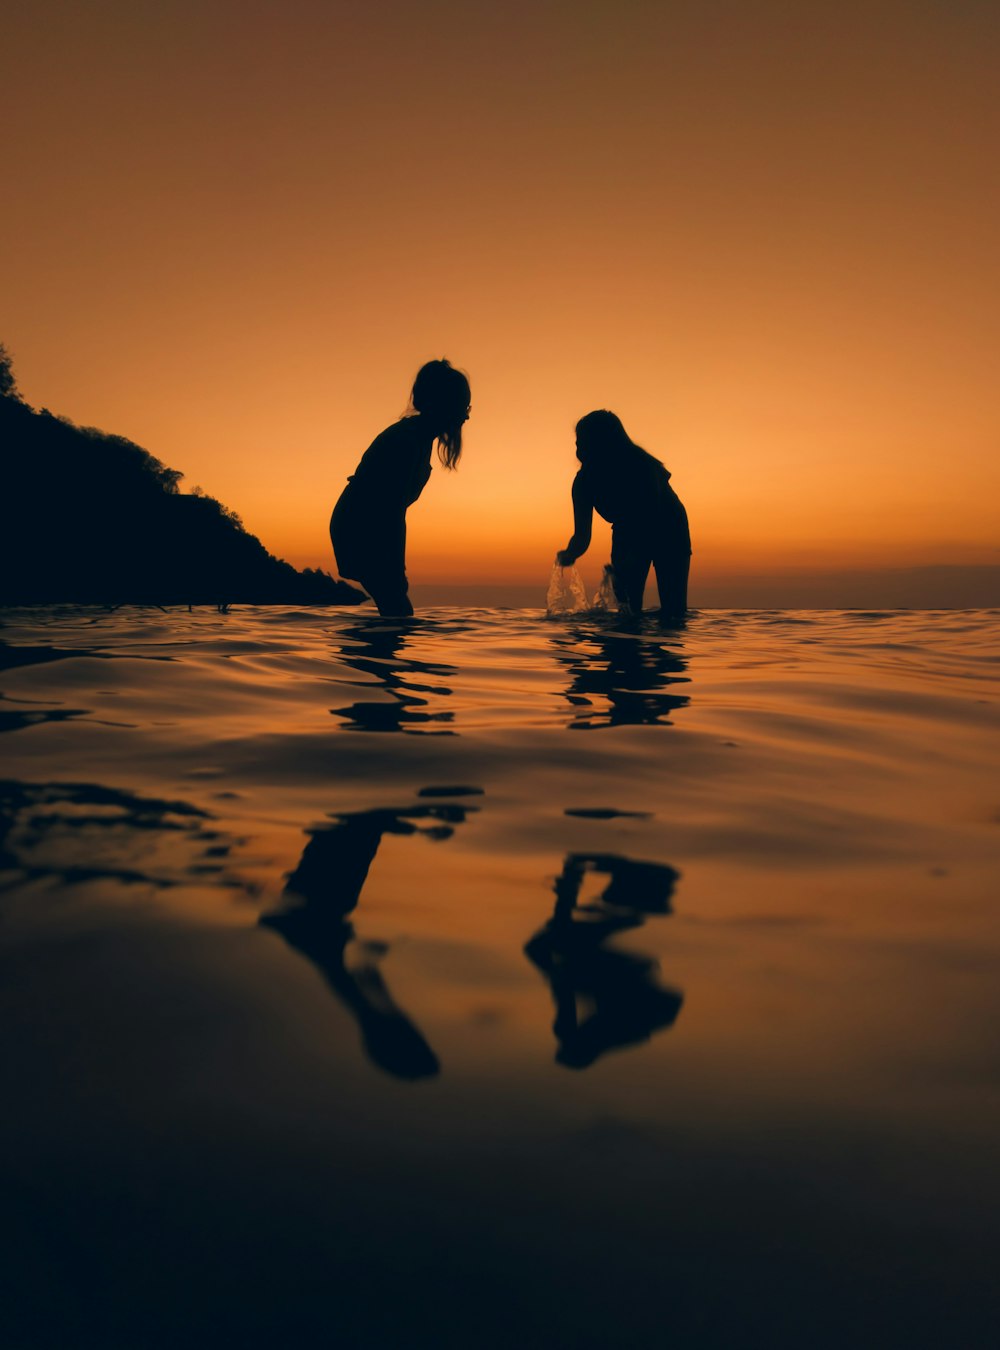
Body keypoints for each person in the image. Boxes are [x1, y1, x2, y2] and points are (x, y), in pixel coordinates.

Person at [330, 359, 471, 616]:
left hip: (369, 525)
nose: (467, 415)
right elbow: (391, 510)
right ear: (445, 405)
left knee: (394, 611)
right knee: (398, 611)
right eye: (463, 406)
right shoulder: (406, 441)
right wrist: (397, 567)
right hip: (360, 526)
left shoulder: (420, 438)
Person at [556, 410, 691, 619]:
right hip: (626, 528)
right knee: (628, 610)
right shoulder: (583, 483)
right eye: (577, 441)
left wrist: (633, 557)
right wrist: (570, 553)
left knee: (674, 612)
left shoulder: (641, 465)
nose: (578, 447)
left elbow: (650, 511)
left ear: (604, 441)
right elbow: (582, 534)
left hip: (669, 526)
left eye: (584, 440)